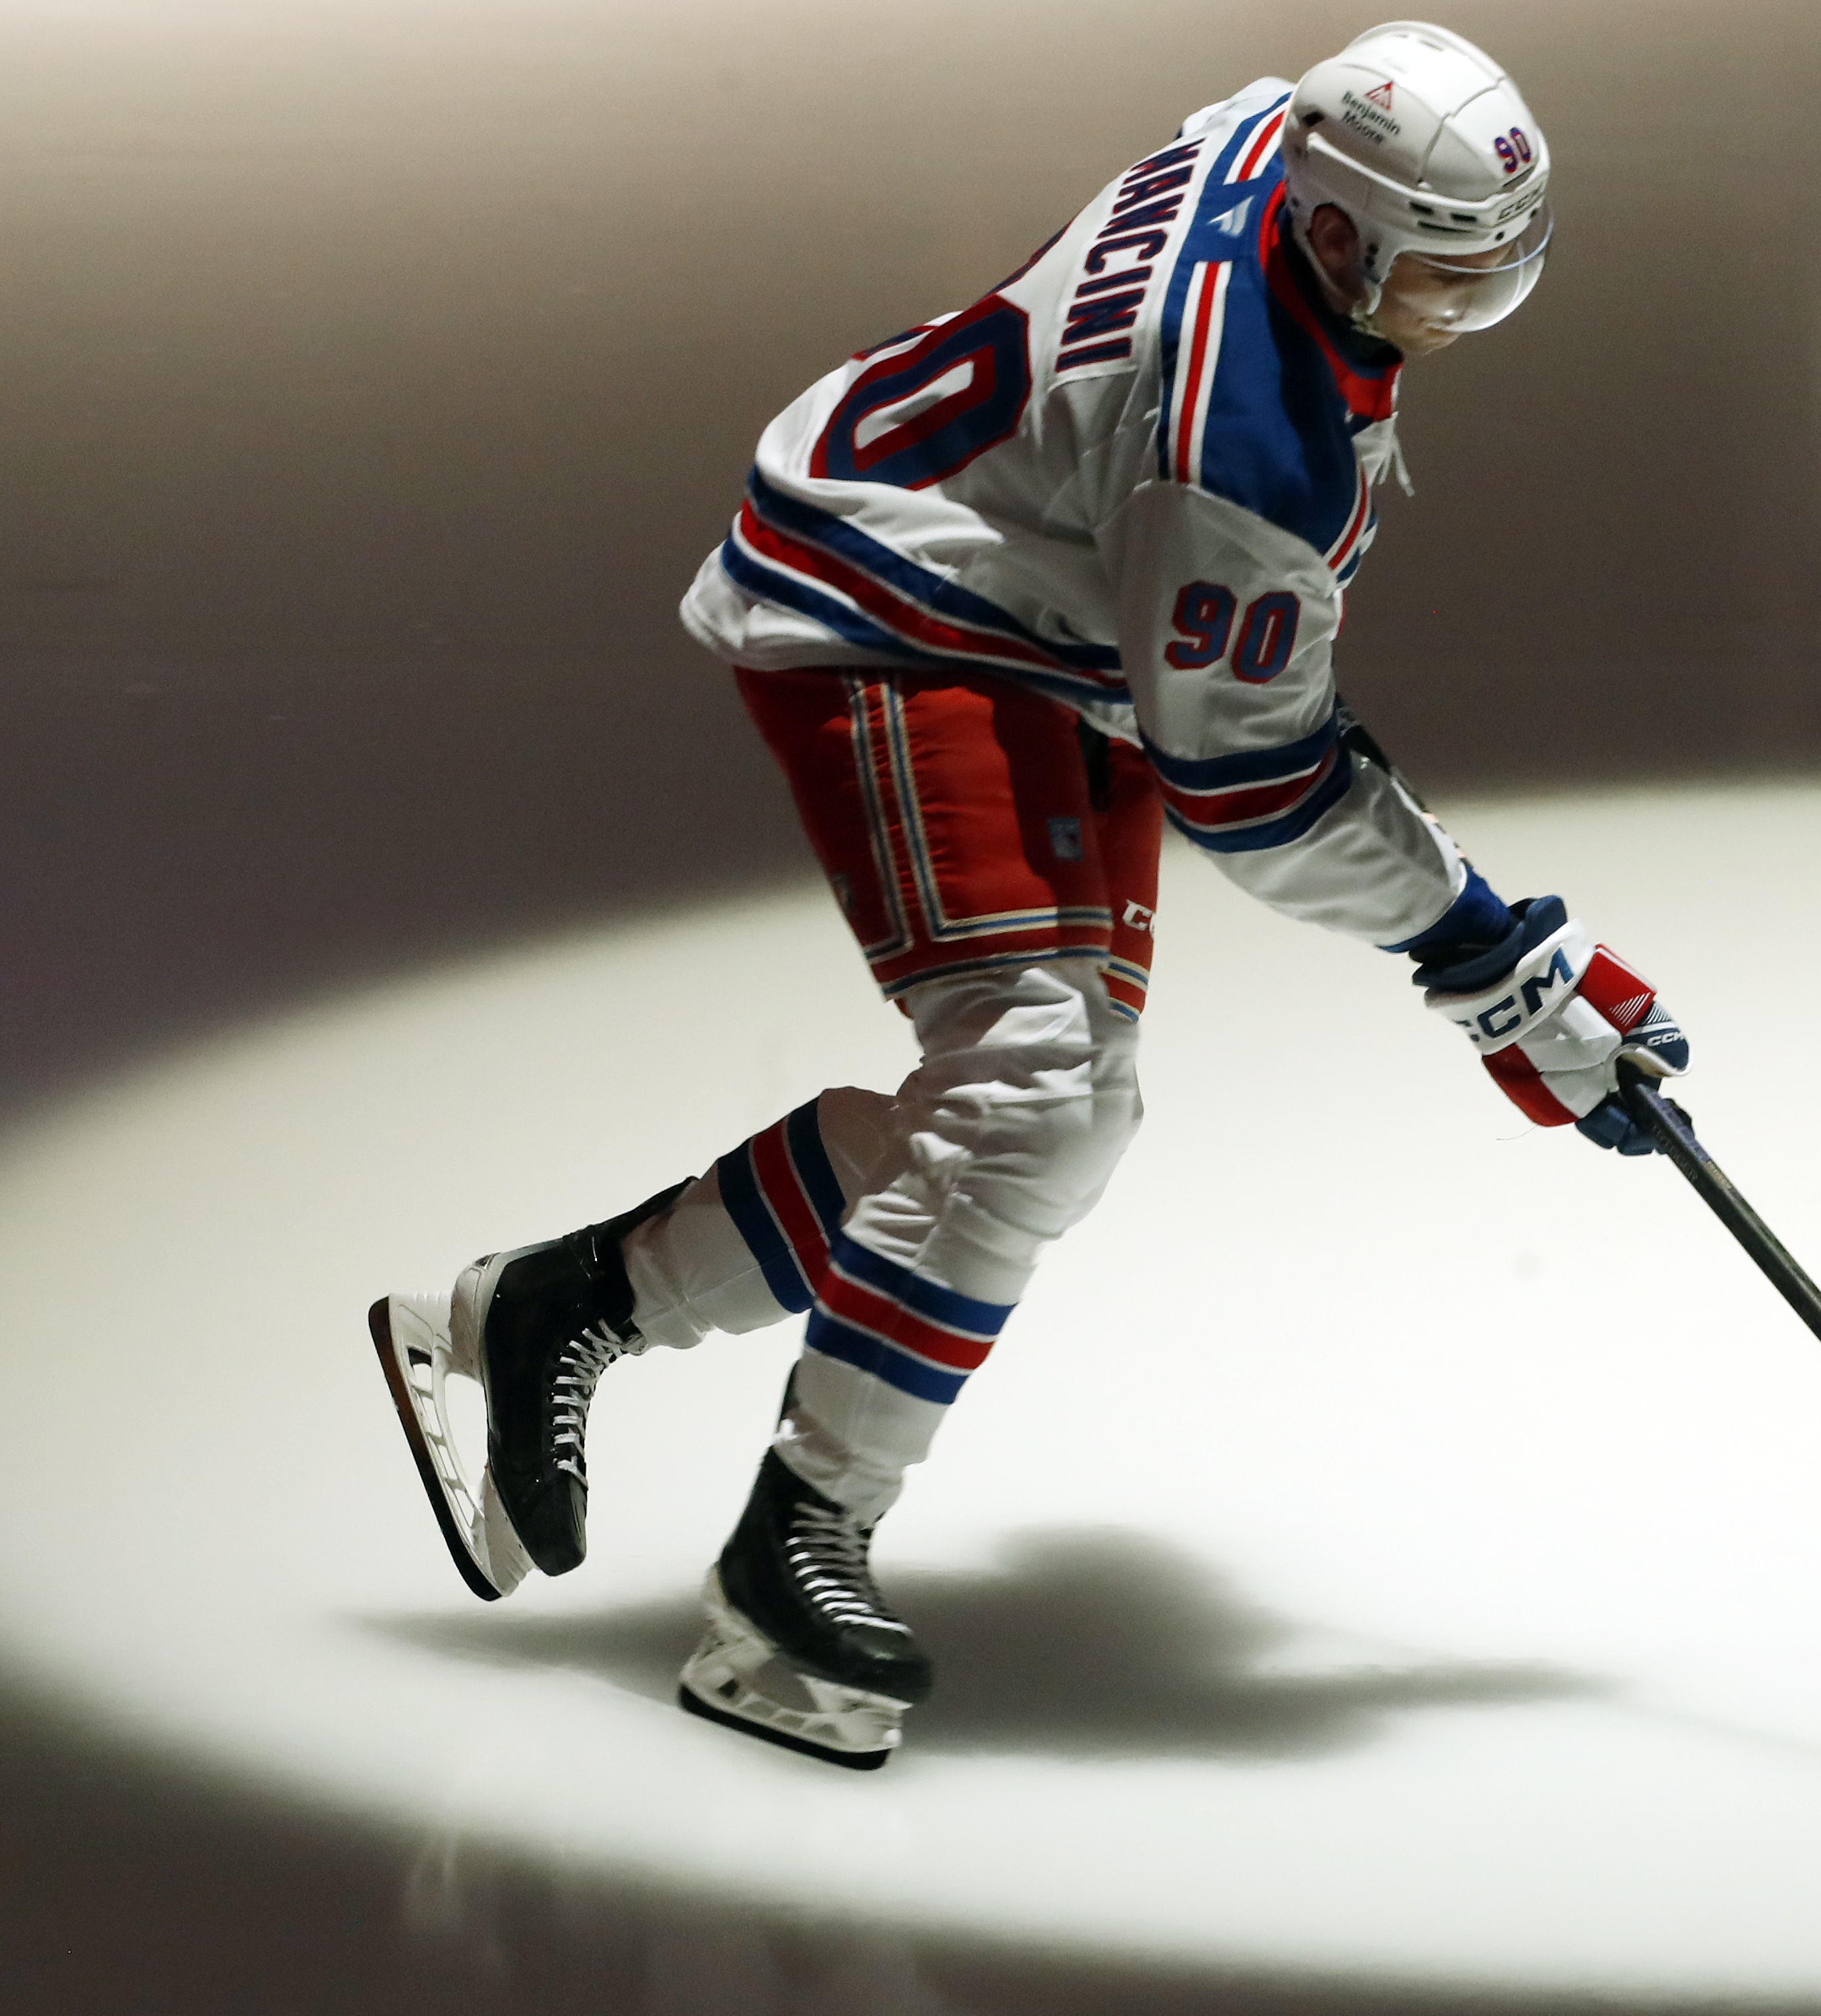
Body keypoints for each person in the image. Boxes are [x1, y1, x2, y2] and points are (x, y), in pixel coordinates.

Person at [367, 21, 1687, 1770]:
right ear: (1336, 233)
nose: (1455, 313)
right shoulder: (1237, 452)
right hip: (898, 610)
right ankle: (788, 1563)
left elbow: (1229, 706)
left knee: (1039, 1118)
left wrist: (1492, 951)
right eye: (1432, 277)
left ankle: (554, 1309)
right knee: (1036, 1093)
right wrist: (1489, 963)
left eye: (1489, 276)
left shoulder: (1271, 143)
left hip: (1038, 608)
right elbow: (1256, 785)